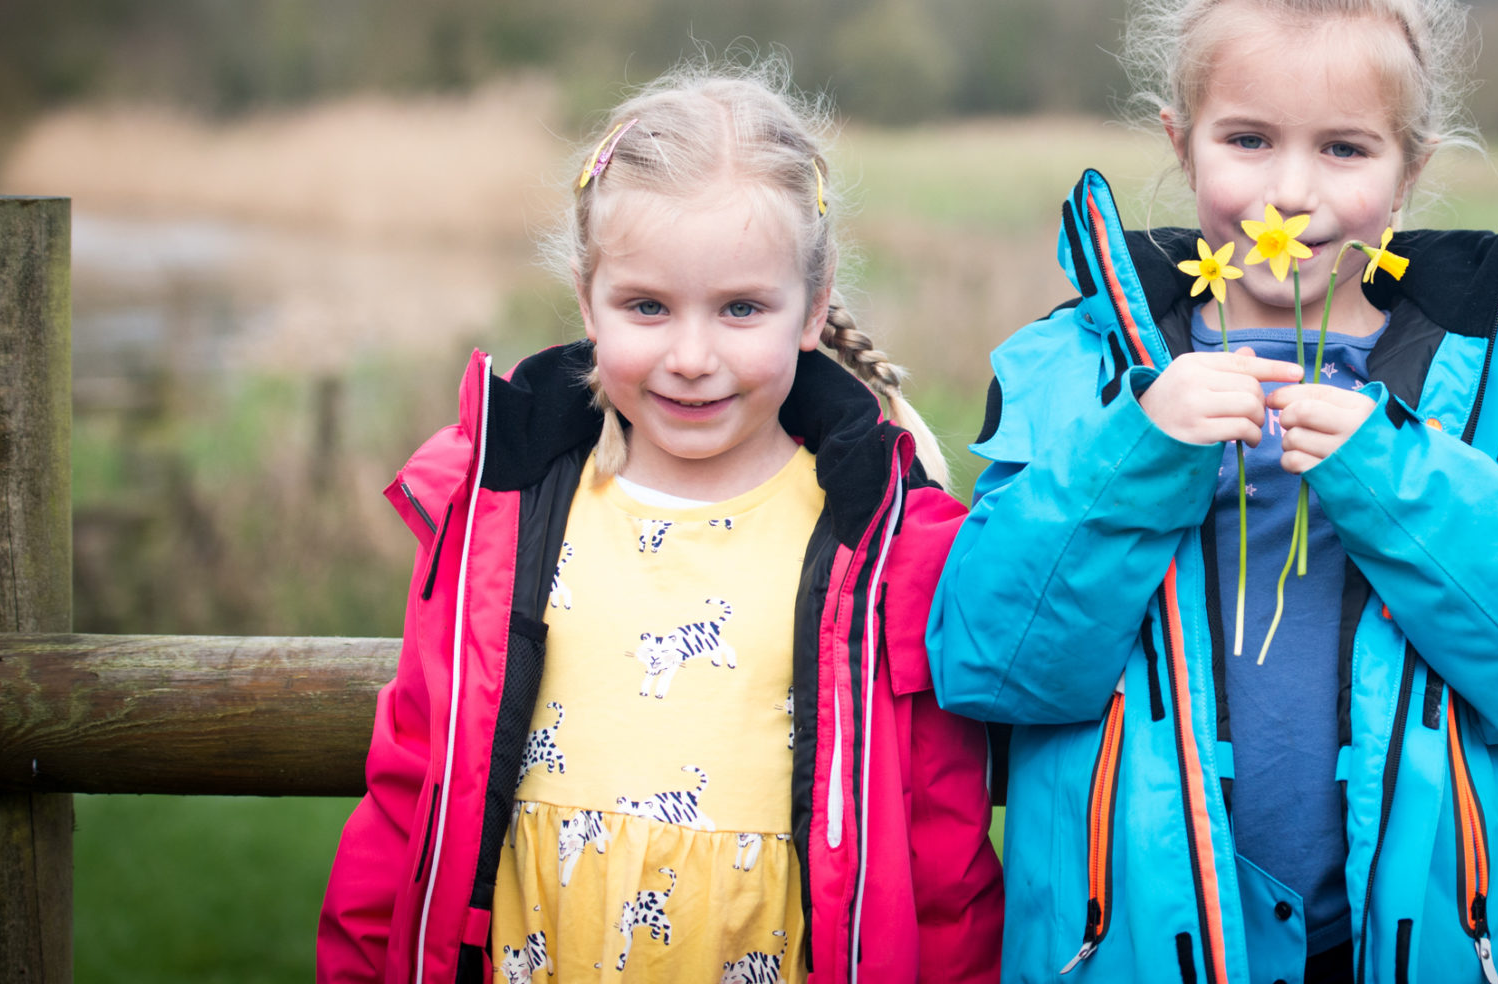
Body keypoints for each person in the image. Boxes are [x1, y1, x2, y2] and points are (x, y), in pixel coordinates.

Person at [928, 0, 1498, 983]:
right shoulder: (1079, 374)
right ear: (1180, 141)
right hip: (1137, 945)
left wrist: (1398, 481)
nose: (1289, 193)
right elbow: (988, 659)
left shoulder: (1491, 391)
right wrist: (1138, 451)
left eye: (1343, 148)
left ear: (1407, 171)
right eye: (1246, 140)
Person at [319, 62, 1002, 984]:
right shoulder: (499, 513)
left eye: (740, 309)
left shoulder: (886, 544)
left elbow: (941, 854)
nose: (691, 357)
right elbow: (408, 795)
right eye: (647, 307)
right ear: (586, 295)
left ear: (813, 300)